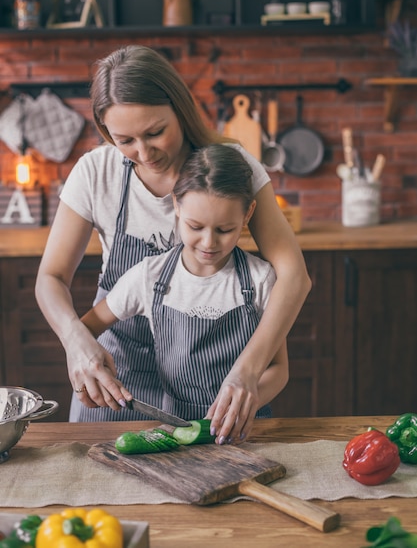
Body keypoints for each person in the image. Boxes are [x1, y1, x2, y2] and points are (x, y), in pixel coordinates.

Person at [35, 44, 311, 444]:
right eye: (124, 139)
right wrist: (75, 341)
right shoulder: (96, 172)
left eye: (155, 132)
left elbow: (294, 277)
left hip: (212, 380)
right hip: (118, 376)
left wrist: (249, 370)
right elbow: (51, 276)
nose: (144, 154)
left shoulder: (228, 167)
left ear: (180, 109)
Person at [80, 144, 288, 442]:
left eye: (225, 229)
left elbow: (279, 369)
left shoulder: (261, 279)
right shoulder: (148, 277)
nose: (208, 242)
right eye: (195, 226)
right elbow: (86, 327)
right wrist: (90, 366)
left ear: (248, 215)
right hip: (172, 432)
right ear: (176, 205)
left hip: (246, 430)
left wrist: (245, 400)